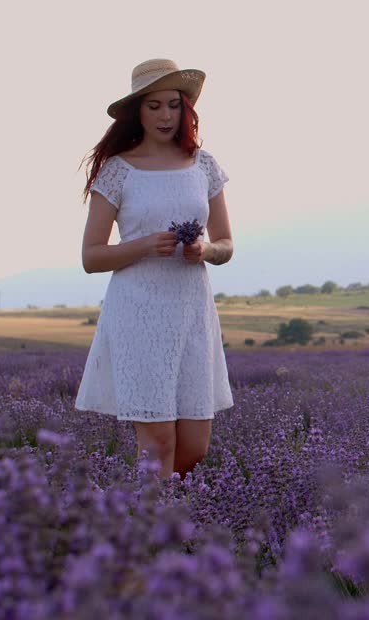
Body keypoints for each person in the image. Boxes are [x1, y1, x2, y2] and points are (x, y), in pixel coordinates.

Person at [75, 58, 235, 481]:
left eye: (173, 105)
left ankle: (170, 522)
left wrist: (206, 250)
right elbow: (91, 257)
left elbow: (227, 244)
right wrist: (144, 244)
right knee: (158, 443)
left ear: (186, 110)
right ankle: (151, 536)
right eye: (153, 106)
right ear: (137, 112)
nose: (165, 116)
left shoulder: (203, 166)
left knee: (195, 448)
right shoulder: (117, 171)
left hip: (191, 312)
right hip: (138, 313)